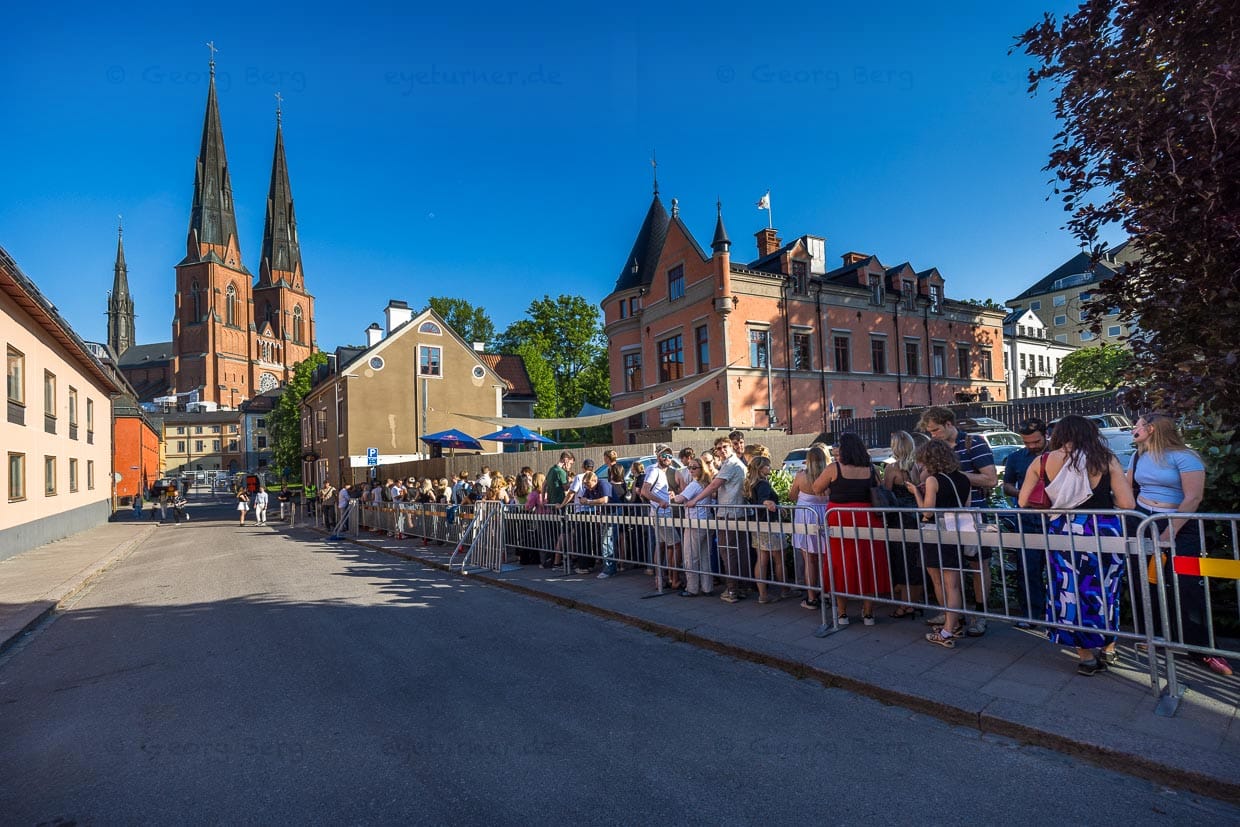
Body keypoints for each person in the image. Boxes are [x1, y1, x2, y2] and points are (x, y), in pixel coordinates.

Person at [1020, 414, 1135, 676]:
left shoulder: (1043, 461)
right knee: (1106, 588)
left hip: (1063, 530)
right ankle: (1108, 647)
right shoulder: (1105, 459)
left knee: (1068, 588)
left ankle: (1084, 655)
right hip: (1103, 529)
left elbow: (1023, 501)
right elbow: (1128, 504)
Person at [1128, 413, 1231, 676]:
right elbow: (1129, 488)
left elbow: (1193, 497)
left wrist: (1169, 532)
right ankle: (1160, 637)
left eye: (1137, 426)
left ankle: (1204, 650)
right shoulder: (1138, 455)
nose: (1133, 429)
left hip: (1179, 525)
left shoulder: (1185, 457)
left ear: (1150, 429)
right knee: (1149, 582)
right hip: (1145, 521)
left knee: (1187, 587)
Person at [919, 406, 997, 637]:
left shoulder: (974, 443)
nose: (933, 435)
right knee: (946, 569)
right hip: (944, 521)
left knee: (977, 566)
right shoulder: (937, 449)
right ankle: (952, 616)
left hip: (972, 516)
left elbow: (991, 479)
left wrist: (953, 476)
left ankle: (980, 615)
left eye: (935, 430)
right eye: (930, 432)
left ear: (949, 424)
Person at [813, 432, 890, 626]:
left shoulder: (834, 468)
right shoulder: (871, 469)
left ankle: (842, 613)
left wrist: (832, 489)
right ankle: (868, 614)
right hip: (867, 517)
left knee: (840, 564)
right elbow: (878, 489)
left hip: (839, 517)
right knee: (868, 563)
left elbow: (816, 487)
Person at [907, 439, 971, 649]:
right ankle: (953, 624)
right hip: (957, 533)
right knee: (953, 583)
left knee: (940, 582)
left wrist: (917, 493)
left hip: (936, 534)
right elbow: (967, 507)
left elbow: (927, 513)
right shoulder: (964, 479)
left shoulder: (933, 480)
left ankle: (947, 629)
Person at [687, 437, 749, 603]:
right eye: (719, 448)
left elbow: (714, 485)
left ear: (731, 447)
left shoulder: (731, 464)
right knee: (737, 551)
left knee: (728, 552)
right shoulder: (734, 464)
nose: (722, 450)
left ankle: (732, 590)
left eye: (725, 447)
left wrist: (695, 500)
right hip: (736, 512)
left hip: (729, 513)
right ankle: (740, 587)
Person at [1004, 417, 1051, 626]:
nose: (1031, 446)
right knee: (1028, 569)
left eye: (1036, 442)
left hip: (1054, 518)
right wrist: (1024, 494)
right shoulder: (1016, 458)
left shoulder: (1057, 456)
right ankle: (1031, 614)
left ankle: (1057, 612)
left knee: (1058, 568)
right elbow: (1006, 486)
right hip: (1027, 517)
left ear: (1045, 436)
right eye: (1027, 443)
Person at [883, 431, 924, 618]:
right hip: (917, 515)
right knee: (916, 560)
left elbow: (886, 494)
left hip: (899, 518)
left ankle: (905, 605)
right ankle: (914, 602)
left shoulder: (892, 468)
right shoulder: (918, 467)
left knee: (902, 561)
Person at [789, 443, 829, 610]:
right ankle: (826, 594)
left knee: (809, 561)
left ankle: (811, 597)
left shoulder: (801, 476)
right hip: (825, 516)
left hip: (805, 517)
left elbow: (791, 496)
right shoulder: (828, 476)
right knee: (824, 559)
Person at [671, 451, 716, 596]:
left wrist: (672, 496)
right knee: (704, 557)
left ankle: (692, 588)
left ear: (701, 469)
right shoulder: (706, 483)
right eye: (690, 467)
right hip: (706, 522)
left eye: (694, 468)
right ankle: (707, 587)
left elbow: (679, 499)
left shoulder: (695, 484)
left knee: (691, 557)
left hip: (694, 523)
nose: (690, 470)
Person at [744, 455, 786, 604]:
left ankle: (763, 594)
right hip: (769, 524)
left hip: (757, 524)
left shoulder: (751, 483)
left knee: (761, 560)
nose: (770, 468)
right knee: (778, 559)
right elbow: (763, 500)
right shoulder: (763, 484)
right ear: (761, 468)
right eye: (767, 465)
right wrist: (770, 504)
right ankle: (785, 590)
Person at [641, 445, 682, 589]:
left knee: (664, 545)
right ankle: (673, 579)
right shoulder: (654, 470)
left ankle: (665, 579)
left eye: (670, 456)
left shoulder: (660, 471)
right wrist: (660, 501)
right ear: (658, 457)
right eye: (664, 455)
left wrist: (667, 496)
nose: (668, 458)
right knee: (676, 545)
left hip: (661, 514)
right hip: (661, 515)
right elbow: (644, 491)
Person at [542, 451, 575, 569]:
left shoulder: (551, 469)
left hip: (552, 504)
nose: (570, 465)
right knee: (564, 533)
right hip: (561, 504)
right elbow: (567, 487)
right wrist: (574, 482)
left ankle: (564, 558)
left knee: (563, 533)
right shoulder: (561, 472)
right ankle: (559, 560)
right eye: (570, 463)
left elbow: (543, 485)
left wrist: (543, 499)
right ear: (566, 459)